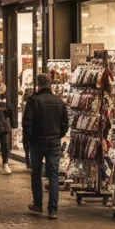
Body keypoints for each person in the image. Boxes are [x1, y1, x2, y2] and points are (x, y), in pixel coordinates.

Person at [21, 74, 68, 219]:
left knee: (36, 173)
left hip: (37, 141)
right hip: (54, 141)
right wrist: (58, 135)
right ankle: (52, 209)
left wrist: (29, 139)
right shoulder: (59, 101)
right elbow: (65, 123)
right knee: (53, 175)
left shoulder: (33, 101)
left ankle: (38, 204)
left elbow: (27, 123)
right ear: (50, 85)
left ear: (38, 85)